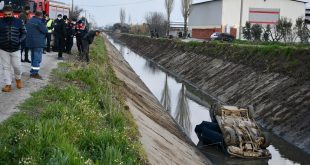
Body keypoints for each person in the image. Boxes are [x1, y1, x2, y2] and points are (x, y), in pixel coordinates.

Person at [0, 5, 26, 92]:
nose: (7, 16)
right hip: (3, 48)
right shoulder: (0, 22)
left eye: (9, 14)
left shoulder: (19, 21)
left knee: (17, 66)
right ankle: (8, 84)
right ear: (3, 14)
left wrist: (19, 40)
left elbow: (24, 33)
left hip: (16, 48)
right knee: (6, 67)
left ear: (12, 13)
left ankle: (18, 80)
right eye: (5, 14)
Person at [26, 11, 48, 79]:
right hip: (38, 43)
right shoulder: (39, 22)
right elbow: (45, 30)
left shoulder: (29, 21)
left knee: (33, 57)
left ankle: (33, 70)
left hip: (30, 42)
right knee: (37, 58)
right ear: (41, 16)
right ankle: (35, 73)